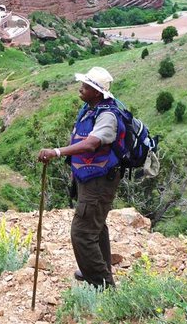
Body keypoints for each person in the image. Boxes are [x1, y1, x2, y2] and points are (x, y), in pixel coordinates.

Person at [37, 66, 124, 289]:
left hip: (100, 181)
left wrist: (57, 152)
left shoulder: (107, 116)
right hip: (90, 178)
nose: (81, 89)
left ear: (97, 92)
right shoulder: (90, 108)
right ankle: (97, 270)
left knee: (82, 232)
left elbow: (92, 143)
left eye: (86, 86)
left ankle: (102, 286)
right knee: (96, 226)